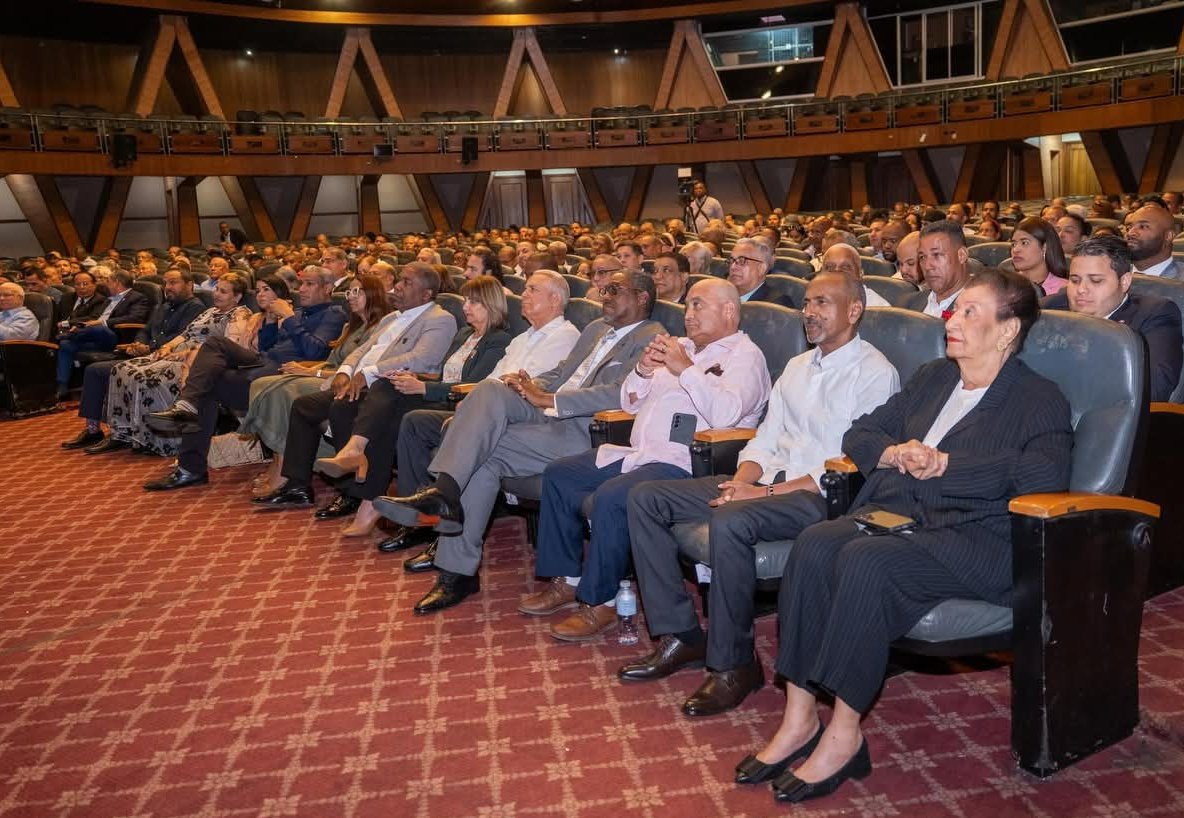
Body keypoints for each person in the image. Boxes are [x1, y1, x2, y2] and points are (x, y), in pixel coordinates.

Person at [742, 268, 1071, 804]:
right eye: (954, 309)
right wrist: (891, 453)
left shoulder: (1038, 398)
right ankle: (799, 718)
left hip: (977, 538)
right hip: (901, 516)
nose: (952, 319)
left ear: (1008, 330)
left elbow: (1043, 477)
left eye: (970, 312)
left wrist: (947, 465)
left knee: (868, 561)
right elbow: (862, 431)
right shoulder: (933, 377)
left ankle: (845, 734)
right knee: (816, 544)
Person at [622, 273, 899, 716]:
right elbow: (763, 440)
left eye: (823, 303)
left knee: (731, 519)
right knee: (646, 498)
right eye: (807, 302)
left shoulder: (874, 373)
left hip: (822, 495)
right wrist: (745, 479)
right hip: (768, 482)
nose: (809, 312)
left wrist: (761, 492)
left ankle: (734, 664)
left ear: (854, 311)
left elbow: (845, 466)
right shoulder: (797, 367)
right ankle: (682, 635)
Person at [373, 269, 663, 615]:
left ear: (642, 297)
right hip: (548, 412)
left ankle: (455, 565)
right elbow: (564, 372)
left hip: (585, 429)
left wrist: (549, 400)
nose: (605, 295)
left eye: (615, 289)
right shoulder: (596, 329)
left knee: (483, 454)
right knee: (493, 387)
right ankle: (445, 497)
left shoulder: (652, 338)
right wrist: (529, 384)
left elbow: (622, 393)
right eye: (604, 289)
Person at [520, 279, 771, 642]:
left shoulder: (746, 357)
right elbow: (629, 402)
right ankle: (567, 580)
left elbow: (726, 415)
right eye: (687, 306)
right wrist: (642, 370)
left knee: (611, 497)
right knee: (561, 474)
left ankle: (600, 601)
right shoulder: (680, 346)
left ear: (729, 311)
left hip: (687, 462)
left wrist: (686, 369)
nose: (688, 314)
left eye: (699, 305)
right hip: (638, 453)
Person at [381, 270, 582, 561]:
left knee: (457, 429)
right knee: (415, 422)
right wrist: (475, 401)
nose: (523, 295)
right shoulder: (523, 338)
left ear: (554, 299)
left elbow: (527, 388)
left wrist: (476, 402)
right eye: (524, 289)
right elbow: (494, 378)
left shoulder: (565, 336)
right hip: (487, 410)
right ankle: (419, 518)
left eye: (531, 290)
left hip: (520, 418)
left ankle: (441, 524)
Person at [306, 276, 514, 536]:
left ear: (491, 304)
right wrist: (416, 379)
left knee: (393, 416)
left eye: (474, 302)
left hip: (459, 404)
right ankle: (365, 480)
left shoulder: (498, 340)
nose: (465, 307)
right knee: (374, 391)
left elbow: (474, 385)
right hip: (437, 394)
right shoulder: (464, 334)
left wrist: (424, 387)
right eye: (465, 301)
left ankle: (374, 495)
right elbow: (442, 373)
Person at [249, 263, 454, 518]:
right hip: (359, 381)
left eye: (407, 283)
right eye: (399, 280)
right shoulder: (391, 317)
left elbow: (421, 359)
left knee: (342, 406)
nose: (398, 287)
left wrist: (367, 374)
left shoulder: (440, 319)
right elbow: (362, 349)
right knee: (304, 406)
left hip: (392, 387)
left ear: (427, 294)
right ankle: (297, 485)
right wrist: (346, 370)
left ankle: (352, 492)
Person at [141, 265, 348, 490]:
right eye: (302, 284)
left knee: (205, 387)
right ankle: (187, 414)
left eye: (310, 284)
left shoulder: (333, 314)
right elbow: (270, 346)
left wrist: (288, 317)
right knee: (213, 346)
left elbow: (315, 351)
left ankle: (189, 465)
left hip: (286, 372)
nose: (303, 289)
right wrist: (270, 321)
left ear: (328, 288)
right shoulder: (298, 313)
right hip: (263, 361)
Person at [238, 274, 386, 497]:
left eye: (358, 292)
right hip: (325, 375)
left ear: (373, 294)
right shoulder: (351, 326)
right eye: (349, 292)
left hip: (341, 383)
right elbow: (330, 361)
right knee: (266, 384)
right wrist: (308, 368)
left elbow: (354, 372)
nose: (351, 297)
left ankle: (284, 469)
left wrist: (312, 371)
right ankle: (280, 463)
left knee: (280, 390)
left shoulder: (381, 328)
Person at [104, 274, 253, 457]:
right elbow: (185, 334)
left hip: (198, 361)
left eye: (223, 291)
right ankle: (128, 433)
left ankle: (159, 440)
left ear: (236, 297)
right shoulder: (210, 311)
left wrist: (179, 354)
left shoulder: (240, 314)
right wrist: (167, 347)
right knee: (121, 369)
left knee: (145, 377)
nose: (216, 294)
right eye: (216, 289)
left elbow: (228, 347)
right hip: (176, 353)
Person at [61, 269, 204, 453]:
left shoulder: (196, 308)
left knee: (110, 371)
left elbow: (182, 337)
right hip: (144, 355)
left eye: (173, 282)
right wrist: (139, 343)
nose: (168, 287)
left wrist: (150, 348)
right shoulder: (164, 306)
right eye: (166, 283)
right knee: (94, 370)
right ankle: (93, 430)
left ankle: (121, 433)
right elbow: (146, 329)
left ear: (189, 284)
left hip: (166, 359)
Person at [1044, 234, 1182, 402]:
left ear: (1124, 281)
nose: (1081, 289)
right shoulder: (1053, 306)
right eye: (1074, 280)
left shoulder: (1154, 314)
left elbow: (1154, 388)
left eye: (1095, 281)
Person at [55, 271, 152, 398]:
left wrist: (103, 322)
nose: (106, 285)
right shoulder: (108, 299)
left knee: (100, 329)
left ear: (117, 282)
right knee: (66, 345)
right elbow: (93, 318)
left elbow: (135, 318)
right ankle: (62, 386)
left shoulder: (137, 297)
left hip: (115, 337)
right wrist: (82, 325)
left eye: (109, 281)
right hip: (94, 337)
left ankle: (69, 334)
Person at [907, 221, 971, 318]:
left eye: (936, 255)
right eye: (922, 257)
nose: (927, 266)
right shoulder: (908, 303)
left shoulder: (982, 309)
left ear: (961, 255)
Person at [727, 239, 795, 307]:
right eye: (731, 260)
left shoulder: (775, 305)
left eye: (742, 261)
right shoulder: (722, 294)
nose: (733, 267)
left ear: (761, 268)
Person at [818, 245, 890, 307]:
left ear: (860, 273)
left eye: (845, 268)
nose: (836, 272)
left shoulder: (878, 307)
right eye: (829, 268)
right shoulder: (813, 302)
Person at [1125, 204, 1181, 279]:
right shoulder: (1114, 273)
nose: (1130, 233)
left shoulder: (1180, 282)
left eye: (1143, 227)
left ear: (1168, 236)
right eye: (1128, 228)